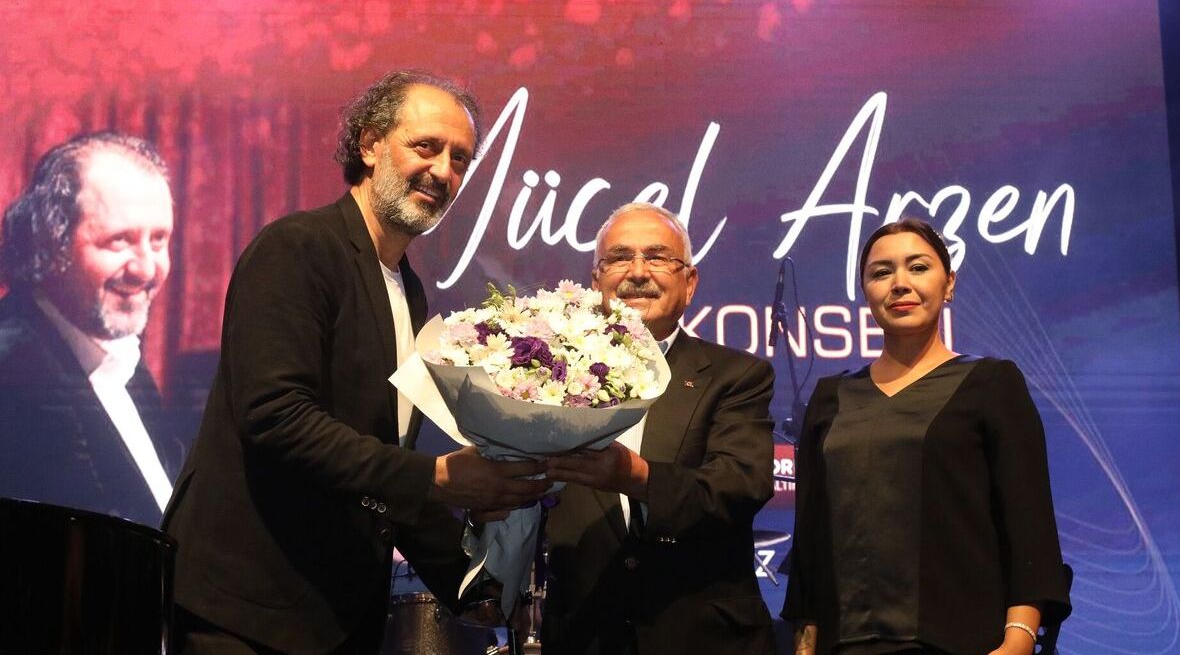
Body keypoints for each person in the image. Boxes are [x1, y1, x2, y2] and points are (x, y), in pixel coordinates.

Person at [162, 70, 549, 655]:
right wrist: (437, 478)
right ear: (369, 144)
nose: (443, 171)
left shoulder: (408, 292)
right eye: (426, 146)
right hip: (246, 607)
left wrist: (477, 590)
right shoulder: (297, 247)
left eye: (460, 159)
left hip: (334, 618)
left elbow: (380, 474)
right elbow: (275, 417)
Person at [782, 218, 1071, 655]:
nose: (900, 283)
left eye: (917, 267)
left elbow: (1029, 526)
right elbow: (810, 542)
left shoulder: (991, 383)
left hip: (961, 640)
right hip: (846, 642)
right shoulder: (830, 397)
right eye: (882, 272)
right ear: (865, 291)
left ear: (948, 283)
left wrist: (1018, 640)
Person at [541, 202, 778, 655]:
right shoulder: (545, 373)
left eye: (656, 257)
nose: (637, 272)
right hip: (584, 634)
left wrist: (637, 477)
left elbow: (739, 486)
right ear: (596, 281)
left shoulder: (737, 376)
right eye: (619, 258)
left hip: (705, 639)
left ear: (690, 283)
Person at [0, 132, 178, 526]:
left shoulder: (120, 352)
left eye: (158, 240)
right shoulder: (11, 376)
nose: (146, 269)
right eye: (119, 241)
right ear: (52, 242)